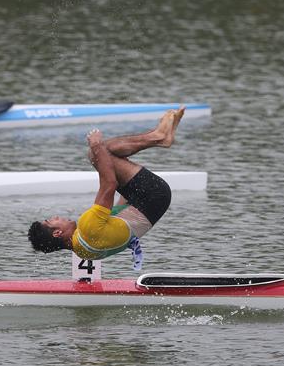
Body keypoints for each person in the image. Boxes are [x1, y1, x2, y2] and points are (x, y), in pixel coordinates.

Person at [28, 107, 186, 269]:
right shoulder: (87, 227)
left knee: (105, 159)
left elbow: (118, 215)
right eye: (50, 220)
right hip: (153, 194)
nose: (55, 216)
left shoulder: (83, 252)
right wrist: (96, 146)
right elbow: (109, 184)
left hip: (147, 204)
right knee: (96, 154)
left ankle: (159, 137)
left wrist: (122, 175)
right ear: (57, 233)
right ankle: (159, 137)